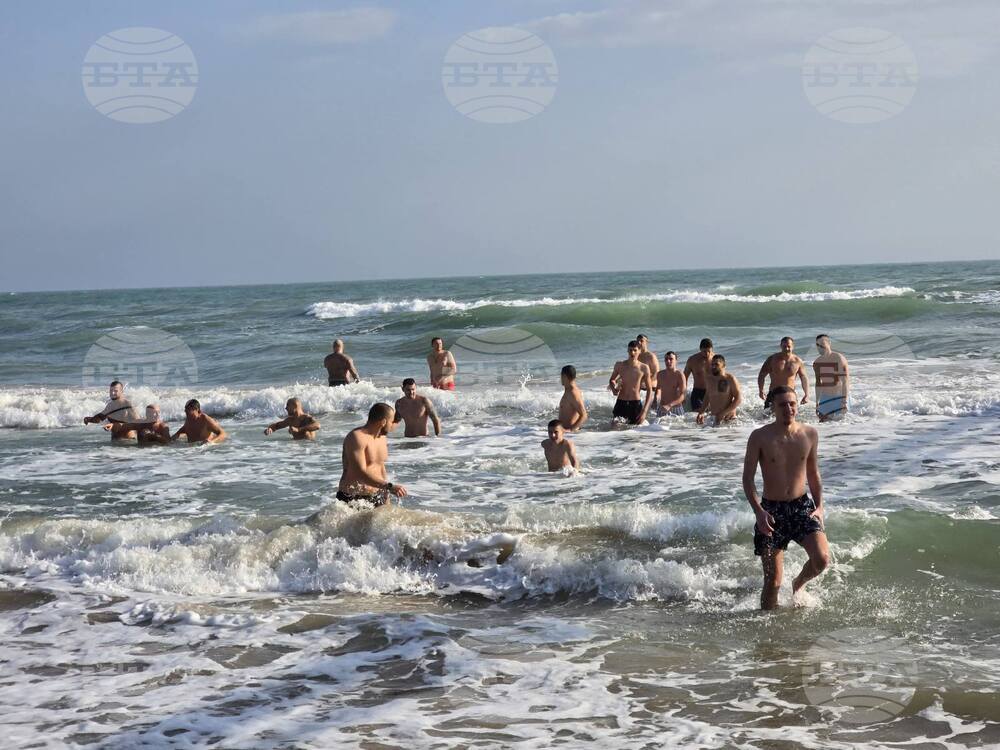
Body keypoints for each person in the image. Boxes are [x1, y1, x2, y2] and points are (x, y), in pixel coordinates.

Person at [742, 385, 830, 610]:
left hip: (802, 507)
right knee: (772, 582)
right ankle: (767, 630)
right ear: (773, 407)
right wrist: (759, 512)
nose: (788, 408)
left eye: (792, 403)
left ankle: (798, 584)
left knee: (821, 559)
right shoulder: (759, 437)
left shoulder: (809, 434)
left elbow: (813, 473)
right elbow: (748, 479)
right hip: (771, 512)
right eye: (782, 404)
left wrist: (819, 506)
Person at [337, 402, 408, 507]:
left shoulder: (382, 439)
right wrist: (389, 486)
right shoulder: (357, 437)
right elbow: (360, 473)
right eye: (391, 421)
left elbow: (381, 467)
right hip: (353, 498)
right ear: (383, 422)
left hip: (377, 495)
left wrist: (386, 496)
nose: (392, 425)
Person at [758, 336, 810, 410]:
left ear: (793, 346)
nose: (786, 348)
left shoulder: (797, 361)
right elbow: (762, 375)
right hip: (774, 393)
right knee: (766, 418)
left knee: (791, 417)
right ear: (780, 346)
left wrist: (806, 394)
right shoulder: (772, 359)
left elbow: (804, 377)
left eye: (789, 346)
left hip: (790, 393)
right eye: (784, 346)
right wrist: (761, 390)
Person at [608, 340, 653, 425]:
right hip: (621, 402)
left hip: (635, 403)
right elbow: (612, 380)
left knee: (635, 432)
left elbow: (649, 390)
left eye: (635, 350)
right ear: (627, 351)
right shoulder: (619, 365)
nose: (632, 352)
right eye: (630, 350)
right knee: (615, 429)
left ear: (639, 351)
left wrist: (644, 411)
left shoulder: (644, 368)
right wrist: (614, 389)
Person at [813, 334, 850, 421]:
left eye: (822, 343)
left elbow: (845, 382)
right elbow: (818, 383)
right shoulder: (817, 362)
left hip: (840, 397)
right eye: (817, 345)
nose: (819, 347)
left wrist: (844, 401)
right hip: (825, 397)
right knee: (824, 424)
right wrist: (817, 401)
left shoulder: (839, 359)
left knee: (843, 425)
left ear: (829, 343)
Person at [696, 354, 742, 426]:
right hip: (714, 418)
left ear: (723, 366)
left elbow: (738, 399)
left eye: (716, 364)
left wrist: (724, 413)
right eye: (712, 364)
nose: (713, 366)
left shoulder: (730, 379)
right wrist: (701, 412)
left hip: (728, 420)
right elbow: (707, 396)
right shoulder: (709, 379)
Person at [684, 338, 714, 412]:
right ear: (700, 349)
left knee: (712, 416)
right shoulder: (692, 360)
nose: (707, 353)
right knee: (698, 416)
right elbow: (684, 377)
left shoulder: (716, 360)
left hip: (712, 391)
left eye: (709, 351)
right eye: (704, 351)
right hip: (698, 393)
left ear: (712, 349)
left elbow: (722, 377)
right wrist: (683, 394)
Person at [655, 351, 687, 416]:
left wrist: (670, 405)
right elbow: (658, 389)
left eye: (671, 359)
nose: (668, 361)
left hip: (676, 409)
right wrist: (655, 399)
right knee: (656, 426)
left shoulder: (680, 375)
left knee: (679, 426)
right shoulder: (660, 374)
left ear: (676, 361)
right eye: (666, 359)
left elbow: (683, 395)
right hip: (662, 408)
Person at [558, 365, 588, 431]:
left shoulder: (573, 392)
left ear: (564, 376)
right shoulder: (569, 391)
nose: (560, 379)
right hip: (566, 433)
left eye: (561, 376)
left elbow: (584, 415)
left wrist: (571, 430)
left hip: (571, 435)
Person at [636, 334, 660, 408]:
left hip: (651, 389)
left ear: (647, 342)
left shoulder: (651, 356)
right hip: (640, 388)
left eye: (641, 341)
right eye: (638, 341)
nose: (639, 343)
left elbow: (657, 373)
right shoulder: (636, 355)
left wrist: (645, 382)